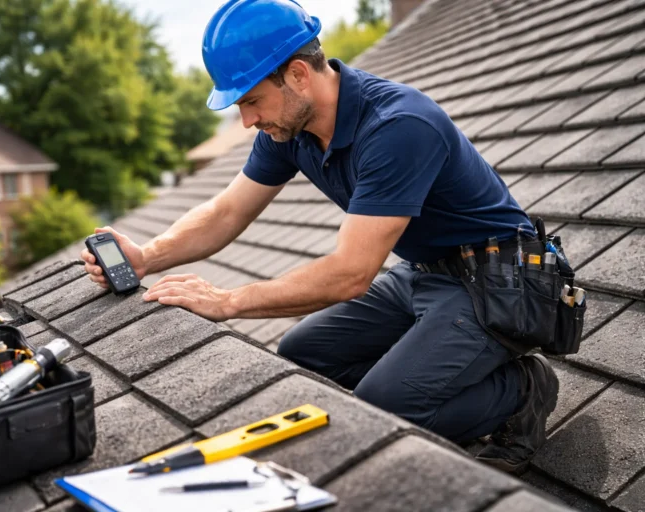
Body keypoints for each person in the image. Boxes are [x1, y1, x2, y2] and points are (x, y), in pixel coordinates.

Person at [80, 0, 559, 474]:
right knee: (302, 354)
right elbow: (226, 211)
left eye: (249, 100)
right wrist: (147, 256)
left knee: (384, 407)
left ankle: (520, 391)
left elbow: (351, 272)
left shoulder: (398, 126)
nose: (247, 121)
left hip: (500, 283)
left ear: (297, 75)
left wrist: (228, 301)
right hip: (426, 273)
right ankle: (436, 377)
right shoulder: (291, 131)